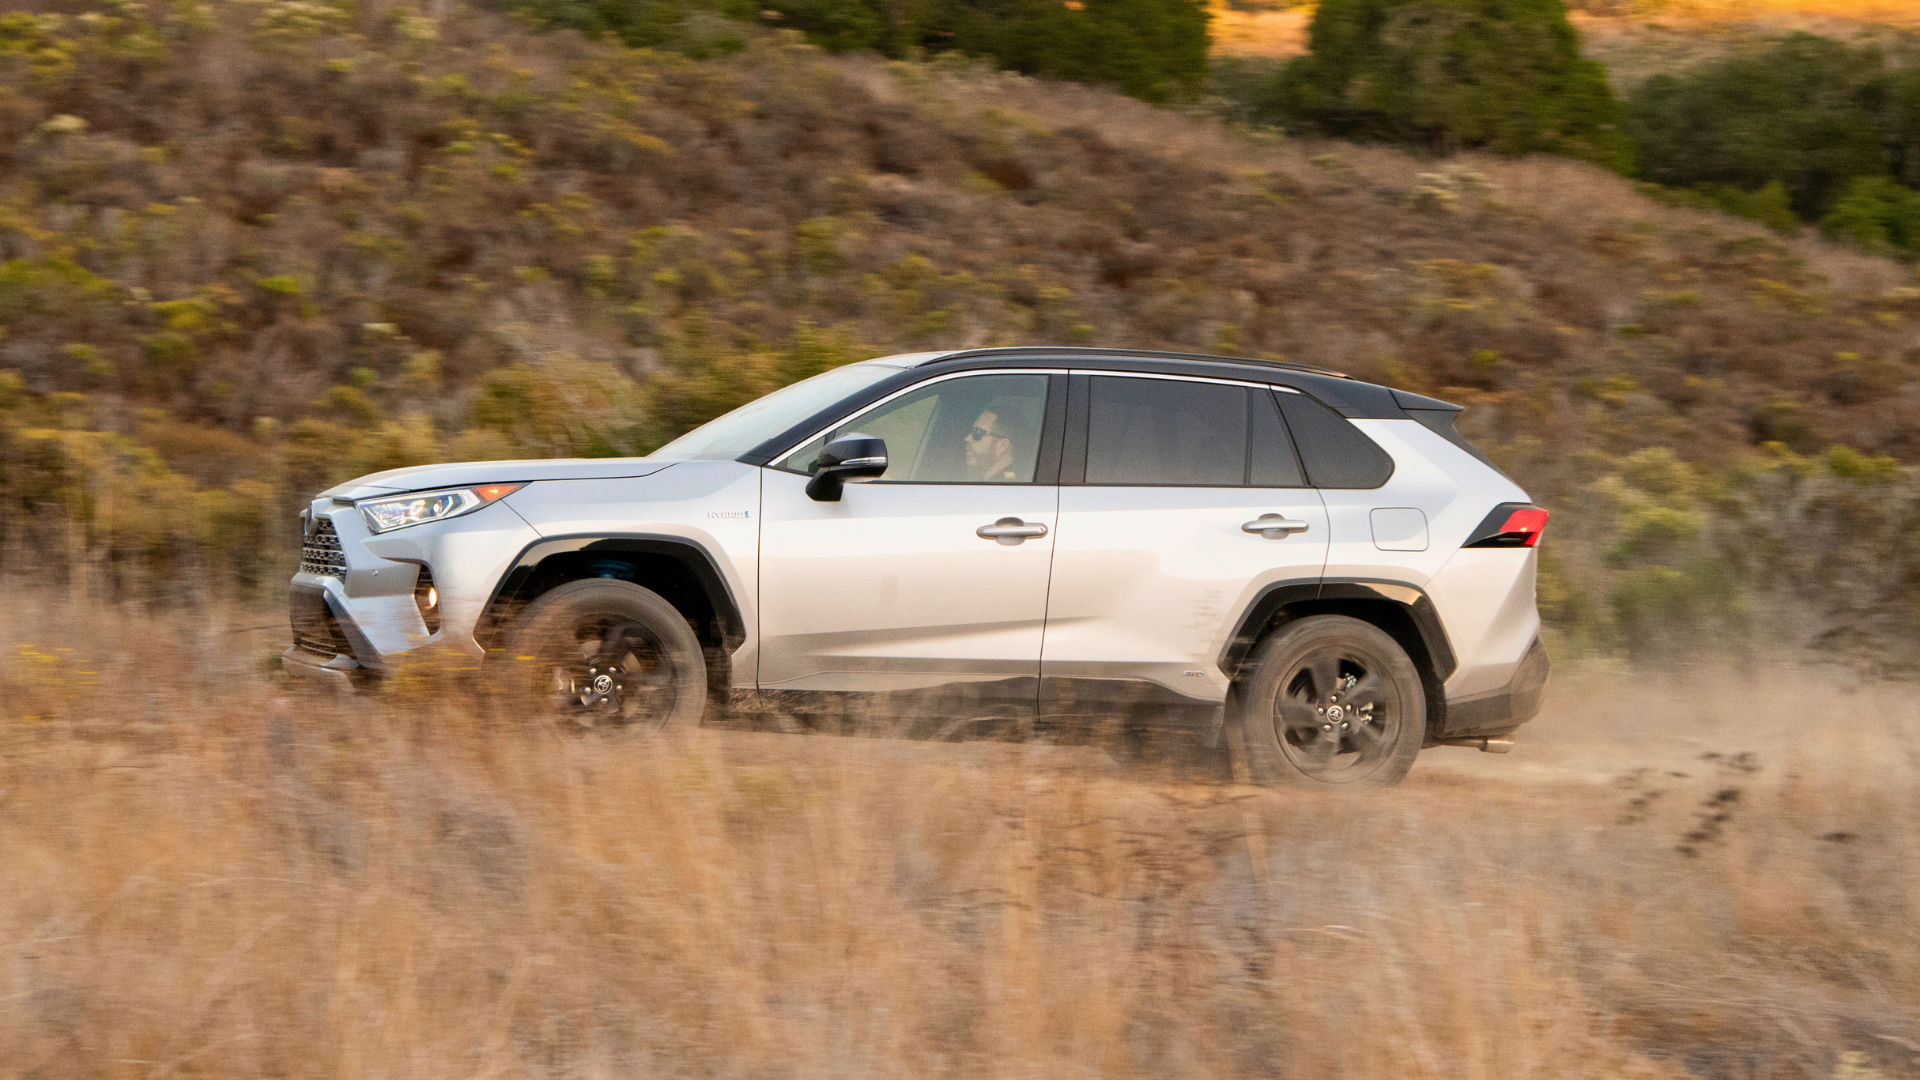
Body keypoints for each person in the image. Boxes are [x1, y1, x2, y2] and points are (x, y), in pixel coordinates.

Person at [964, 397, 1037, 482]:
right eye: (972, 430)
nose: (967, 438)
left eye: (977, 432)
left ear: (1003, 446)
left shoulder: (1004, 490)